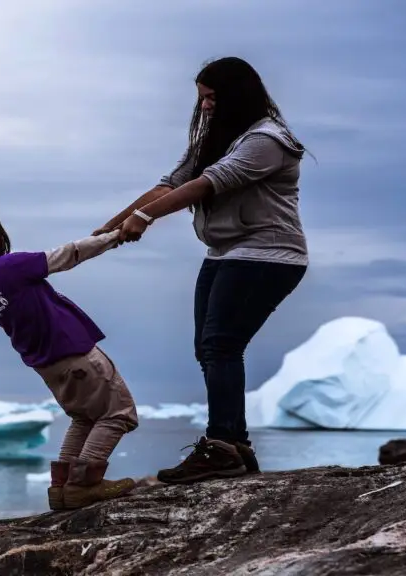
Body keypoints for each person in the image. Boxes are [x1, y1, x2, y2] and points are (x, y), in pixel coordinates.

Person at [93, 56, 309, 484]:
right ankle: (237, 447)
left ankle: (222, 445)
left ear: (237, 94)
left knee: (221, 345)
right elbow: (170, 183)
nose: (205, 106)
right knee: (208, 348)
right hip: (225, 254)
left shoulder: (267, 140)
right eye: (202, 99)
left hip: (268, 255)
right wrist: (113, 225)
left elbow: (209, 183)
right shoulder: (216, 139)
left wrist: (146, 218)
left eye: (211, 97)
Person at [0, 209, 139, 510]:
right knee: (119, 414)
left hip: (48, 363)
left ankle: (61, 489)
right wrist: (113, 237)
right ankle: (84, 485)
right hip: (74, 351)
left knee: (84, 417)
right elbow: (68, 255)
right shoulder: (7, 267)